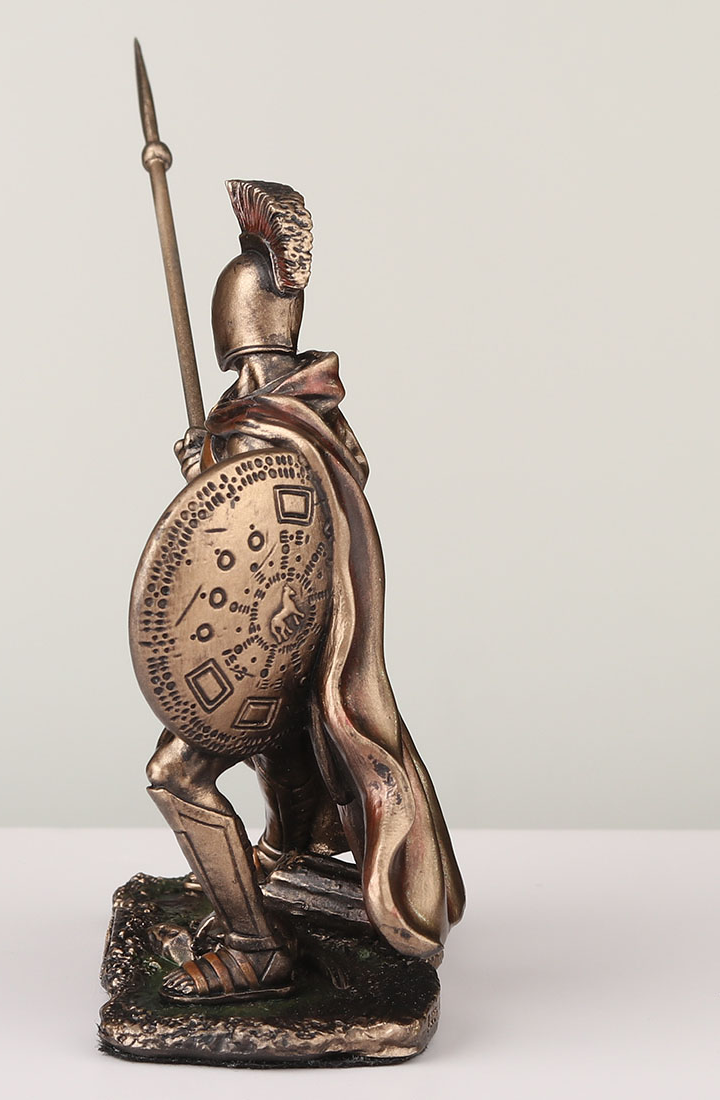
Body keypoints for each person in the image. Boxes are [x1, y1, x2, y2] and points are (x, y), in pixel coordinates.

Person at [141, 180, 464, 1004]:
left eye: (250, 361)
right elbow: (246, 533)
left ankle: (259, 949)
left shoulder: (270, 427)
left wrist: (217, 472)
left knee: (176, 774)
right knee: (282, 771)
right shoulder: (295, 418)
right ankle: (279, 873)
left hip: (288, 654)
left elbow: (280, 538)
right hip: (290, 653)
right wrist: (208, 479)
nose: (251, 373)